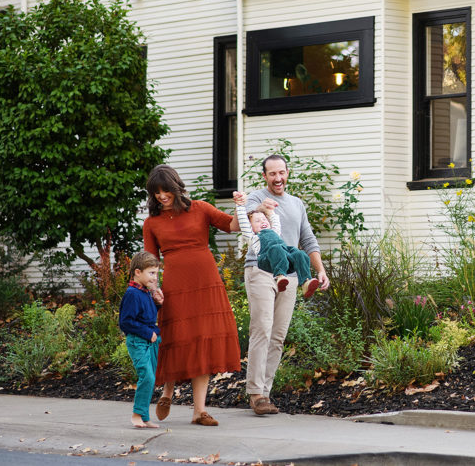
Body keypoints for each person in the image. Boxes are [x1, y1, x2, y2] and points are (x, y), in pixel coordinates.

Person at [142, 164, 241, 427]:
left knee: (203, 341)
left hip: (206, 282)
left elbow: (232, 226)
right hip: (175, 286)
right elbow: (151, 261)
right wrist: (153, 289)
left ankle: (199, 411)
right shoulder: (151, 223)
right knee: (176, 339)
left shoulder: (201, 208)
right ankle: (167, 392)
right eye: (156, 193)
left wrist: (244, 207)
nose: (161, 196)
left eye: (166, 191)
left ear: (176, 187)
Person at [243, 154, 330, 416]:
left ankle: (265, 394)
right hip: (260, 269)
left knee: (278, 335)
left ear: (287, 172)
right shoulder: (257, 198)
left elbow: (308, 238)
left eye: (282, 172)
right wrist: (263, 210)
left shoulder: (296, 204)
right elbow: (246, 222)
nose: (278, 178)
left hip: (290, 274)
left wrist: (321, 270)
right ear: (264, 176)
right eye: (272, 174)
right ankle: (255, 394)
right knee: (262, 328)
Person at [233, 193, 320, 299]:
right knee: (276, 248)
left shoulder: (274, 231)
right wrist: (240, 205)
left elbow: (275, 220)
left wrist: (270, 210)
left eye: (264, 219)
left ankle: (306, 282)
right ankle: (280, 277)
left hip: (285, 259)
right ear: (251, 227)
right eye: (257, 221)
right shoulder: (253, 237)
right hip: (267, 260)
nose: (262, 222)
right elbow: (243, 222)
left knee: (299, 253)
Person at [118, 251, 164, 429]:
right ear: (138, 272)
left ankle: (144, 417)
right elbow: (126, 322)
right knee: (147, 376)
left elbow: (145, 315)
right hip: (138, 341)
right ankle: (137, 414)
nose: (155, 277)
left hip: (150, 341)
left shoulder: (145, 292)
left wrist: (157, 304)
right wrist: (146, 332)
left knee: (150, 379)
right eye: (151, 273)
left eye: (156, 273)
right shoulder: (132, 294)